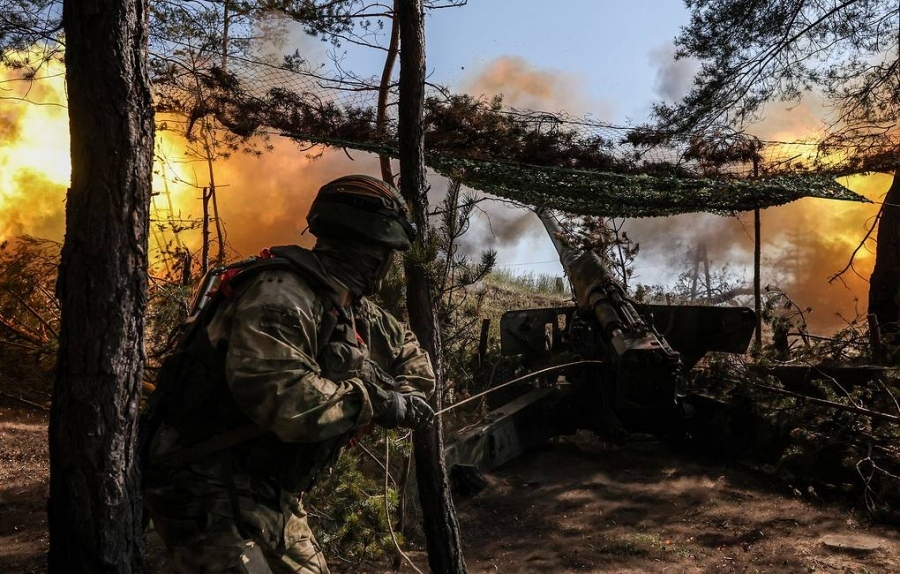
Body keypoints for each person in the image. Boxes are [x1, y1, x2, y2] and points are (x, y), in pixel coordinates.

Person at [142, 174, 436, 574]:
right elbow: (283, 398)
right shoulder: (281, 292)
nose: (385, 264)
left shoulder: (348, 305)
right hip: (208, 487)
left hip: (268, 492)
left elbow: (409, 353)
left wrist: (406, 394)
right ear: (370, 250)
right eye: (385, 252)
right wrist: (374, 403)